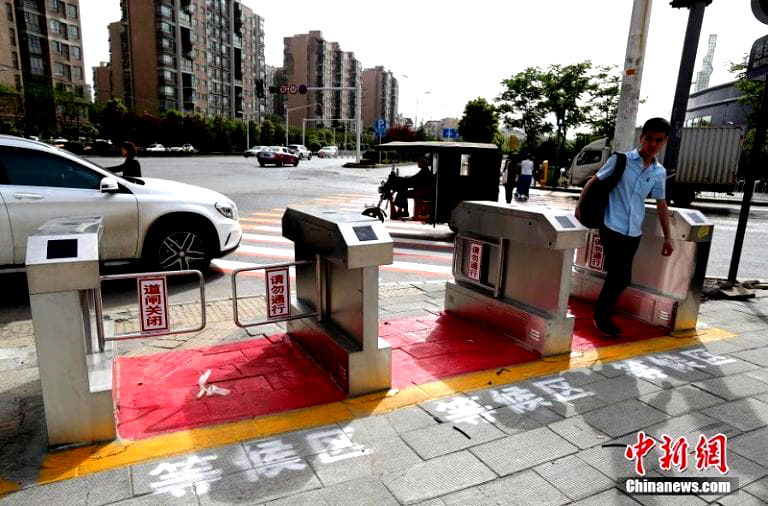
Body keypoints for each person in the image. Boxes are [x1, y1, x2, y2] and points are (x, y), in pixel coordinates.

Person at [575, 117, 675, 337]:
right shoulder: (621, 160)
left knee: (620, 276)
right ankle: (602, 317)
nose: (653, 144)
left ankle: (602, 314)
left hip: (634, 230)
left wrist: (668, 237)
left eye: (658, 140)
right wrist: (580, 206)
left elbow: (661, 204)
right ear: (642, 137)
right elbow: (595, 181)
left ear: (665, 141)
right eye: (649, 138)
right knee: (620, 276)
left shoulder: (658, 172)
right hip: (612, 225)